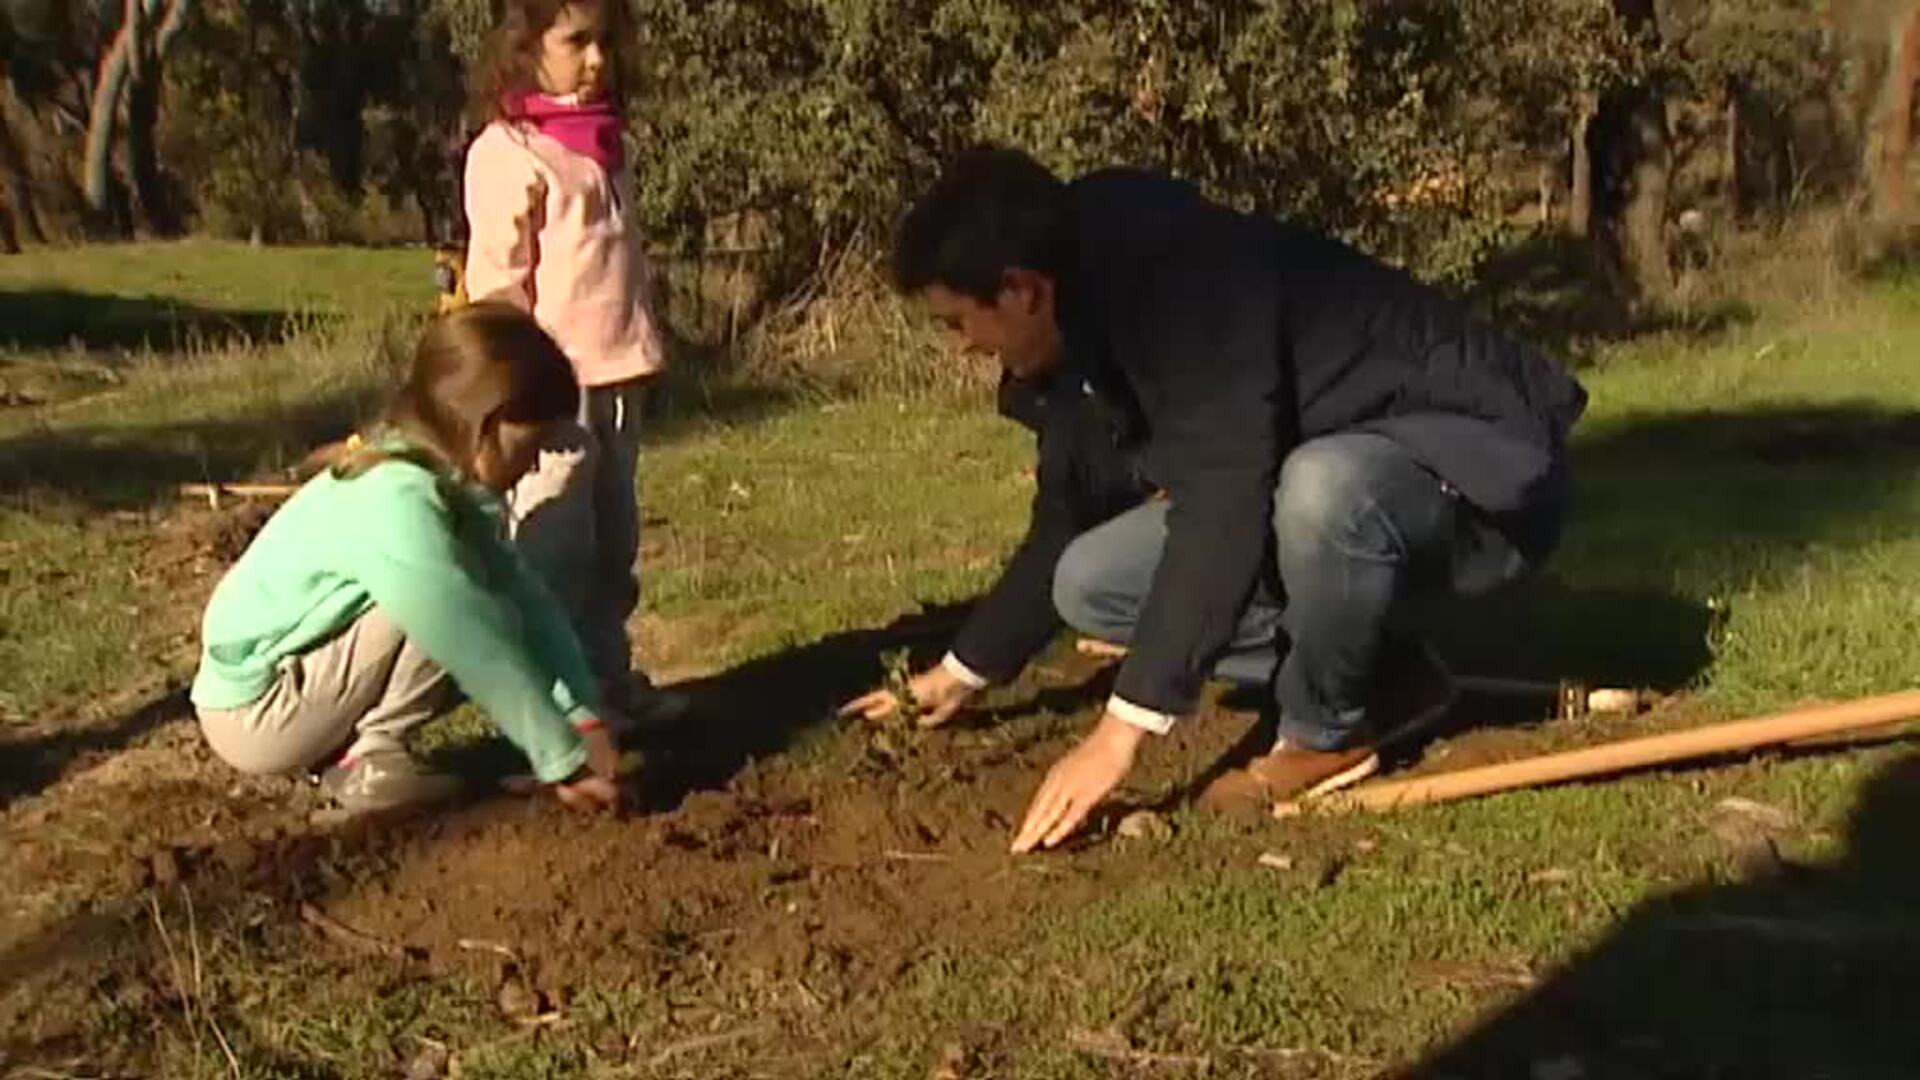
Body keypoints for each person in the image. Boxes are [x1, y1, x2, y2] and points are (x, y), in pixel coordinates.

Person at [848, 147, 1588, 853]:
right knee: (1091, 581)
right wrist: (964, 669)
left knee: (1320, 487)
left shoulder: (1185, 284)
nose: (962, 346)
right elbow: (1072, 510)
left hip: (1481, 491)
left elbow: (1225, 501)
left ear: (1021, 290)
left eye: (958, 321)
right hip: (1344, 485)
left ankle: (1327, 735)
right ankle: (1384, 676)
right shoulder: (1082, 323)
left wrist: (1118, 735)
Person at [190, 304, 626, 816]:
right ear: (482, 425)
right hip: (258, 712)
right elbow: (470, 638)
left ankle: (359, 750)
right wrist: (561, 760)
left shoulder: (437, 481)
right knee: (457, 601)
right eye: (529, 446)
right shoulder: (395, 500)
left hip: (290, 690)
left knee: (484, 590)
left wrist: (582, 715)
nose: (533, 465)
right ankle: (365, 760)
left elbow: (526, 596)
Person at [462, 0, 682, 725]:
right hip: (553, 394)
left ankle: (605, 682)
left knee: (613, 545)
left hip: (619, 376)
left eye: (605, 42)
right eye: (576, 41)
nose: (595, 59)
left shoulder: (608, 143)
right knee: (556, 548)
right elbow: (498, 281)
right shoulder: (510, 150)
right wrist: (518, 385)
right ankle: (555, 702)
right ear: (527, 47)